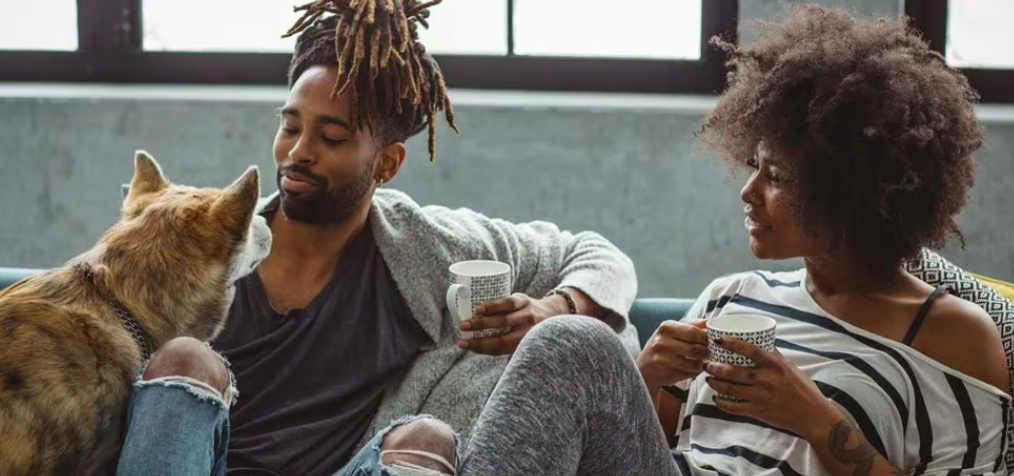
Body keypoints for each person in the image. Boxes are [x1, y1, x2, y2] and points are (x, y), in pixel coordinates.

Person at [452, 5, 1012, 475]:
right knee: (569, 344)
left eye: (777, 177)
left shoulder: (956, 337)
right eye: (754, 166)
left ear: (852, 192)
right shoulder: (732, 297)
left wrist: (814, 417)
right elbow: (641, 453)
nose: (748, 192)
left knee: (572, 339)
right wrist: (647, 374)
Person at [113, 1, 638, 475]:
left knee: (426, 439)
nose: (298, 152)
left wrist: (555, 309)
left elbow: (596, 255)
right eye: (290, 127)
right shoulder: (207, 244)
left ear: (387, 164)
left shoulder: (425, 249)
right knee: (186, 357)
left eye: (332, 137)